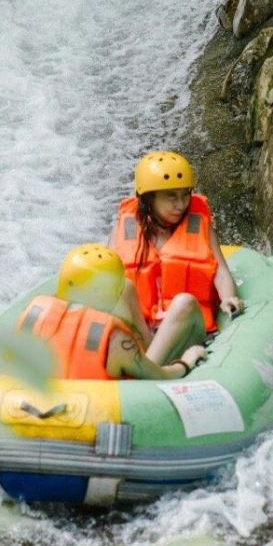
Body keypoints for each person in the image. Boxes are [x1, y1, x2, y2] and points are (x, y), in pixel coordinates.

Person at [109, 150, 243, 366]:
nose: (180, 204)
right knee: (122, 287)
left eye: (184, 194)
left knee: (184, 302)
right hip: (145, 332)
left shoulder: (200, 225)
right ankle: (147, 362)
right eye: (171, 196)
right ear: (148, 198)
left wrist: (228, 297)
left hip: (186, 327)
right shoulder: (126, 227)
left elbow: (220, 271)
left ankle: (149, 372)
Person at [16, 243, 207, 381]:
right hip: (106, 410)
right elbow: (161, 376)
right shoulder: (116, 341)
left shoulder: (33, 317)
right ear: (112, 293)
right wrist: (185, 362)